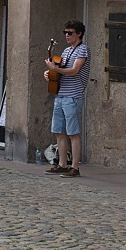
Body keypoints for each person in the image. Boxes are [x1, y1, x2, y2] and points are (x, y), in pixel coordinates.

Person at [44, 19, 90, 178]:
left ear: (79, 34)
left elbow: (74, 70)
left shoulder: (82, 50)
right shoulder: (65, 51)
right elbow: (59, 71)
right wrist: (50, 74)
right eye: (65, 33)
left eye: (70, 33)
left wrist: (55, 69)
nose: (67, 36)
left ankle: (75, 167)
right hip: (61, 95)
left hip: (73, 96)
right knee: (59, 132)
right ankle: (62, 164)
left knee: (73, 133)